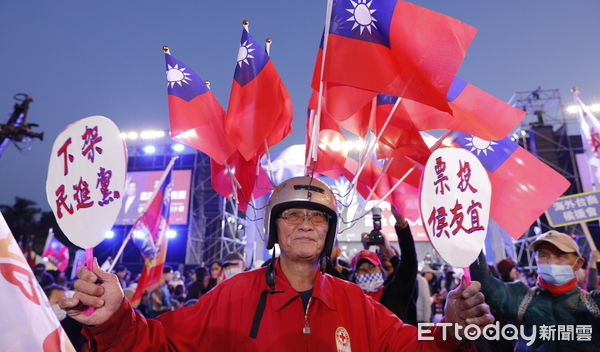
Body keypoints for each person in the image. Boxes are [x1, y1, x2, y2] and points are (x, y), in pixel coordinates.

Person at [61, 176, 494, 351]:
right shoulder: (232, 296)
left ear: (328, 232)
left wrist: (451, 332)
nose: (305, 225)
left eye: (316, 217)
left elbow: (412, 348)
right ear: (275, 228)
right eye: (292, 214)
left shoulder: (355, 303)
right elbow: (160, 342)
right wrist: (114, 318)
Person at [470, 230, 600, 351]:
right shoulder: (521, 298)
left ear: (578, 263)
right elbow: (486, 285)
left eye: (561, 256)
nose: (551, 262)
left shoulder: (592, 304)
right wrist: (471, 240)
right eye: (543, 255)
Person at [353, 206, 418, 324]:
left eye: (372, 267)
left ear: (380, 270)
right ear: (355, 275)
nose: (368, 272)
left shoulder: (393, 294)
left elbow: (409, 263)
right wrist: (366, 250)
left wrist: (401, 224)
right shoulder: (352, 300)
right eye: (362, 269)